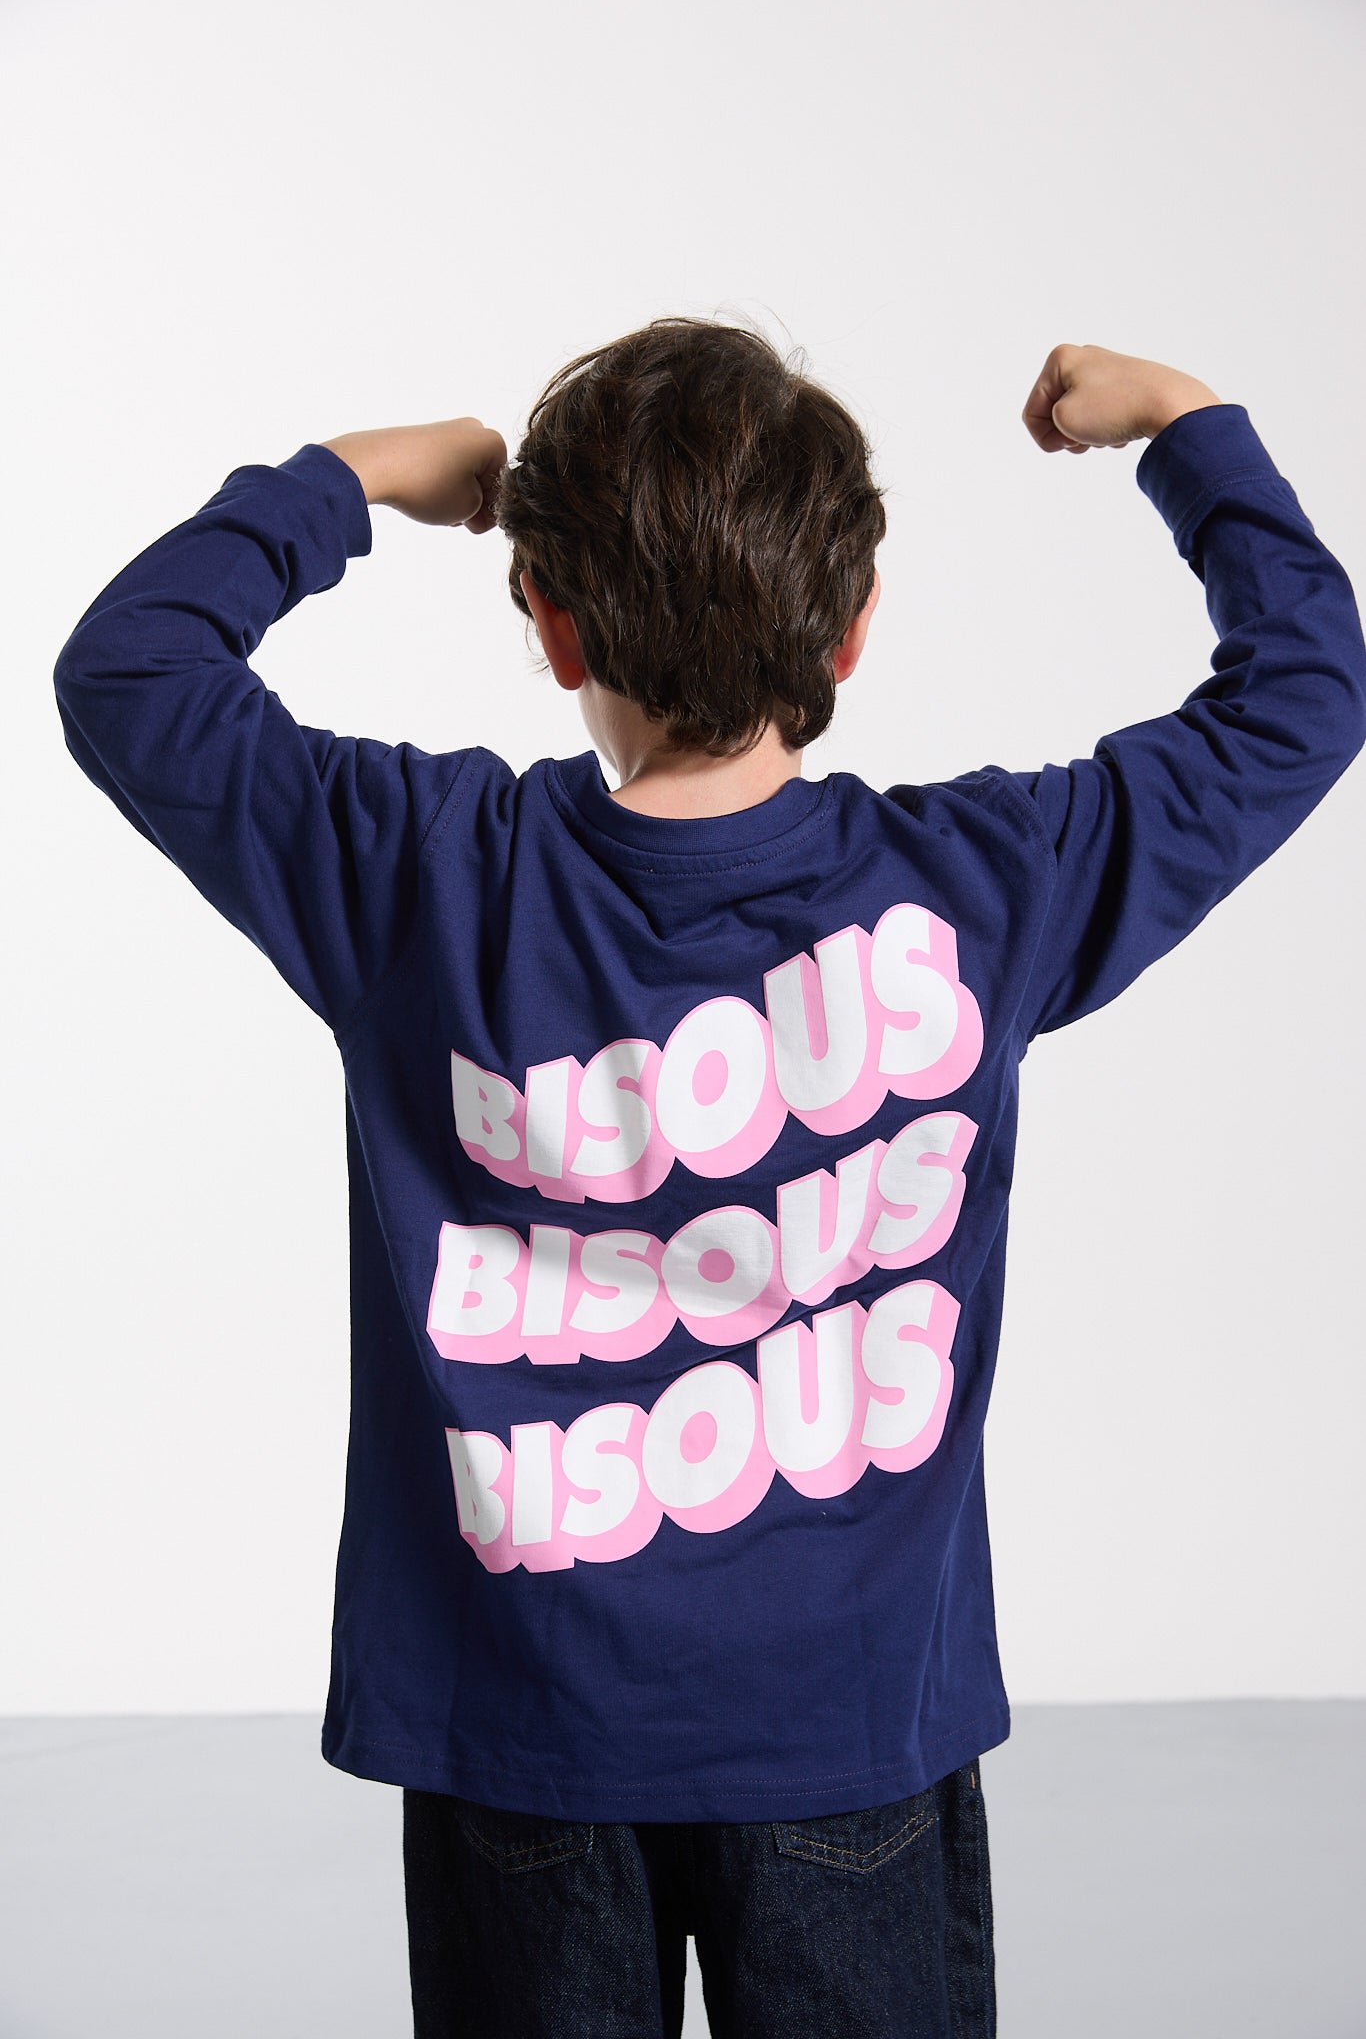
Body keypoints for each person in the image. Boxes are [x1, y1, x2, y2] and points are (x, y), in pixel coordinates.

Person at [51, 321, 1366, 2039]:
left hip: (518, 1734)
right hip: (844, 1735)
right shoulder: (986, 891)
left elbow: (133, 670)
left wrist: (356, 480)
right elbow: (1302, 690)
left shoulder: (419, 880)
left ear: (550, 625)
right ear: (853, 622)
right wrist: (1183, 428)